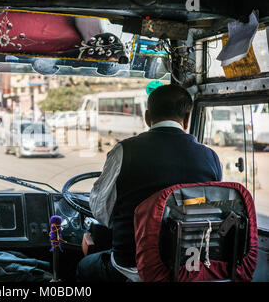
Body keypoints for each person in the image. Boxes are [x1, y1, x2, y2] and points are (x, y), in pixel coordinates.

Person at [76, 84, 223, 282]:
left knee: (84, 266)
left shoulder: (124, 151)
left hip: (132, 268)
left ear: (147, 117)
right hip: (186, 267)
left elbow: (101, 211)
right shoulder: (211, 158)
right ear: (187, 118)